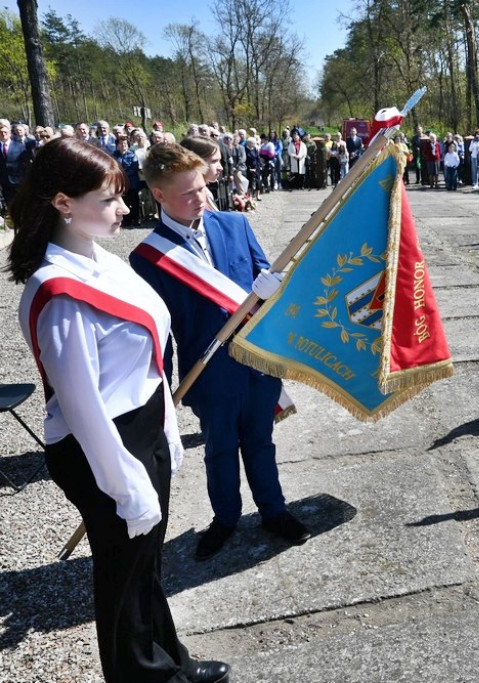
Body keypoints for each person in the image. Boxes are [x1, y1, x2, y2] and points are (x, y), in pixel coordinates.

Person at [8, 137, 230, 682]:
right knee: (123, 574)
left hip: (143, 427)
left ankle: (167, 661)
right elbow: (82, 408)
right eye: (109, 200)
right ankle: (140, 675)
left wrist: (167, 430)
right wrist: (124, 482)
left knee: (147, 564)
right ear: (63, 203)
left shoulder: (98, 258)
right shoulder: (57, 290)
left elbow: (153, 357)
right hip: (103, 448)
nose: (125, 210)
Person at [131, 143, 310, 561]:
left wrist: (271, 290)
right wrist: (160, 397)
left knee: (262, 443)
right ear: (158, 195)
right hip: (208, 374)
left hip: (256, 361)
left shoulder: (234, 224)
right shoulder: (147, 258)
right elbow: (156, 334)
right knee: (220, 450)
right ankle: (225, 519)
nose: (201, 198)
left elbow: (268, 282)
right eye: (188, 193)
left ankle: (274, 511)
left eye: (202, 187)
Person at [180, 135, 224, 211]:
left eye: (219, 161)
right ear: (194, 161)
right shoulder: (191, 200)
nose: (220, 168)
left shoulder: (205, 192)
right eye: (214, 161)